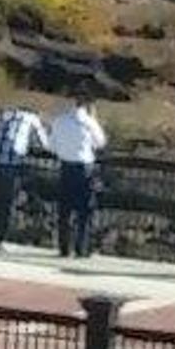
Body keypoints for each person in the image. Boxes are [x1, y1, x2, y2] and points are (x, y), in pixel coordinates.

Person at [43, 98, 108, 260]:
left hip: (65, 166)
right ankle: (81, 248)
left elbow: (51, 145)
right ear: (88, 107)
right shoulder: (89, 122)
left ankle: (63, 247)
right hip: (84, 169)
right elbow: (100, 142)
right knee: (84, 211)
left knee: (64, 210)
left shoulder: (60, 121)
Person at [0, 101, 45, 248]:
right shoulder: (32, 119)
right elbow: (43, 143)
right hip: (12, 164)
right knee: (6, 202)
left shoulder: (3, 115)